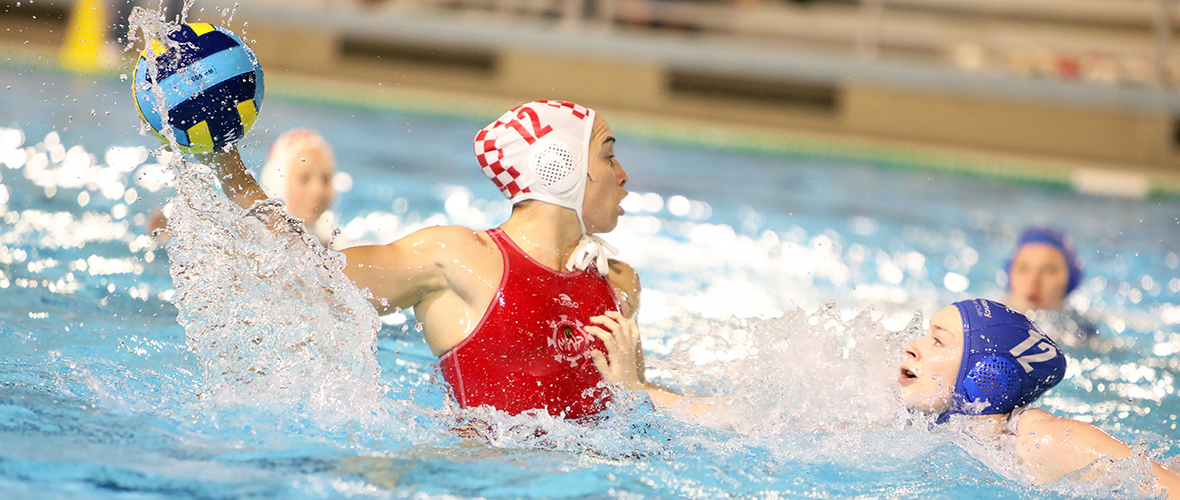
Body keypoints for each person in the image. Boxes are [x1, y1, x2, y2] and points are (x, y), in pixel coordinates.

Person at [206, 100, 677, 420]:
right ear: (561, 167)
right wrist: (233, 174)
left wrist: (635, 394)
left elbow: (641, 414)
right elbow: (313, 273)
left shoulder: (619, 285)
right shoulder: (455, 258)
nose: (623, 174)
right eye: (608, 156)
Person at [898, 298, 1177, 495]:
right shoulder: (923, 424)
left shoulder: (1044, 440)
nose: (911, 347)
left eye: (938, 340)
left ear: (988, 375)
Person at [149, 128, 343, 247]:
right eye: (304, 178)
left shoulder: (334, 242)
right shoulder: (248, 233)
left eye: (326, 179)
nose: (318, 191)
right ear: (279, 182)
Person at [1003, 226, 1098, 344]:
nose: (1033, 279)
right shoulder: (985, 316)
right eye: (1023, 268)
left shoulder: (1078, 331)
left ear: (1070, 279)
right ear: (1009, 274)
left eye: (1048, 270)